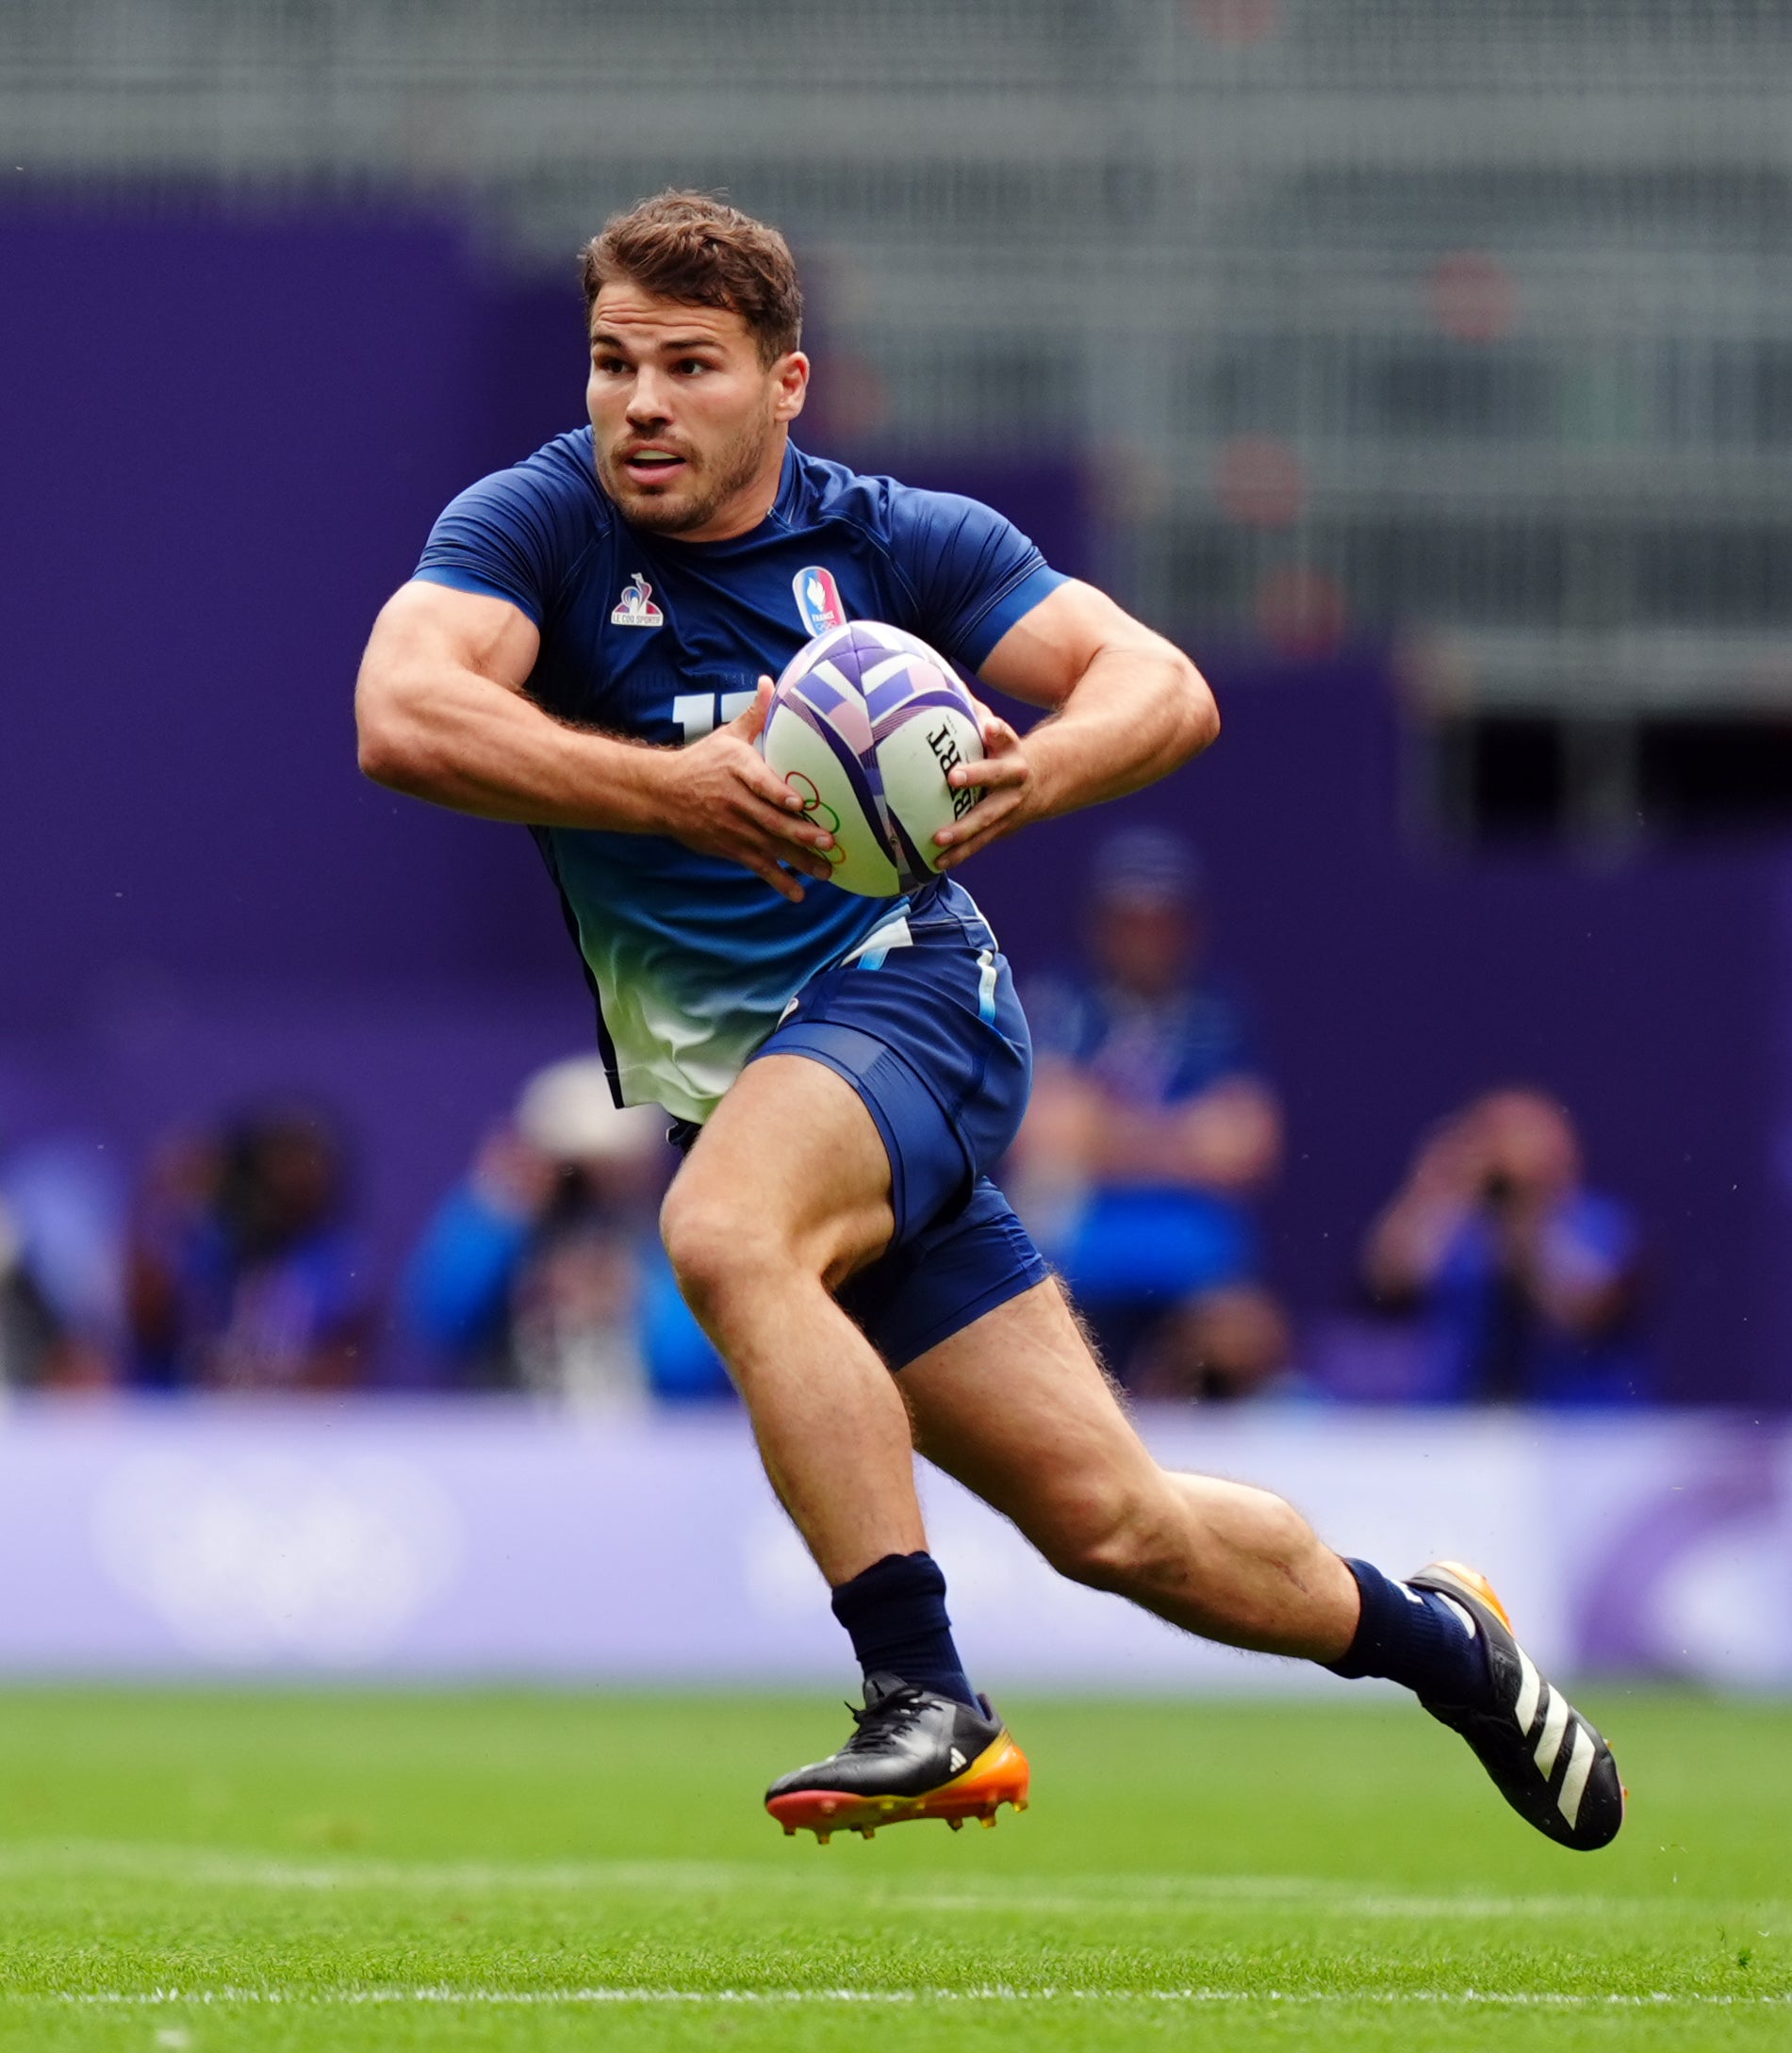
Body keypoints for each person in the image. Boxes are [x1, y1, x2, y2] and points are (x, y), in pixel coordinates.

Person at [353, 191, 1621, 1851]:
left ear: (786, 384)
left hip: (908, 999)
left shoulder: (890, 538)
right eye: (611, 363)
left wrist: (1036, 780)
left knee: (724, 1231)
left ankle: (924, 1698)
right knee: (1119, 1523)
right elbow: (401, 708)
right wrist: (674, 792)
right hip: (758, 1083)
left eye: (689, 366)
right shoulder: (543, 526)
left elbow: (1159, 683)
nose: (639, 403)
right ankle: (1446, 1643)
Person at [1019, 827, 1289, 1399]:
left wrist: (1105, 1133)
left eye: (1161, 919)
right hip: (1075, 1235)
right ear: (1101, 924)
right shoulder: (1056, 1005)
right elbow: (1042, 1132)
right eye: (1130, 919)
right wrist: (1183, 1138)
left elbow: (1249, 1146)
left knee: (1245, 1334)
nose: (1146, 936)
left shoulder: (1218, 1016)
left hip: (1194, 1251)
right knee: (1034, 1335)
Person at [404, 1053, 732, 1405]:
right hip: (511, 1428)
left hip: (644, 1440)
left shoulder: (669, 1240)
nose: (589, 1185)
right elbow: (439, 1322)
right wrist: (501, 1210)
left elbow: (696, 1369)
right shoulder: (497, 1226)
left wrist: (630, 1295)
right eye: (572, 1165)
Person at [1360, 1088, 1648, 1406]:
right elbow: (1386, 1282)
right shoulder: (1456, 1225)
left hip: (1576, 1427)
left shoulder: (1600, 1224)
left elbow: (1584, 1312)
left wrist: (1526, 1221)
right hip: (1454, 1421)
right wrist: (1436, 1185)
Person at [126, 1103, 371, 1392]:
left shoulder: (336, 1265)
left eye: (303, 1182)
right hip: (179, 1424)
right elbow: (143, 1316)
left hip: (281, 1428)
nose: (287, 1192)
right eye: (273, 1180)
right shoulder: (197, 1244)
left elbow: (337, 1378)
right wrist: (168, 1202)